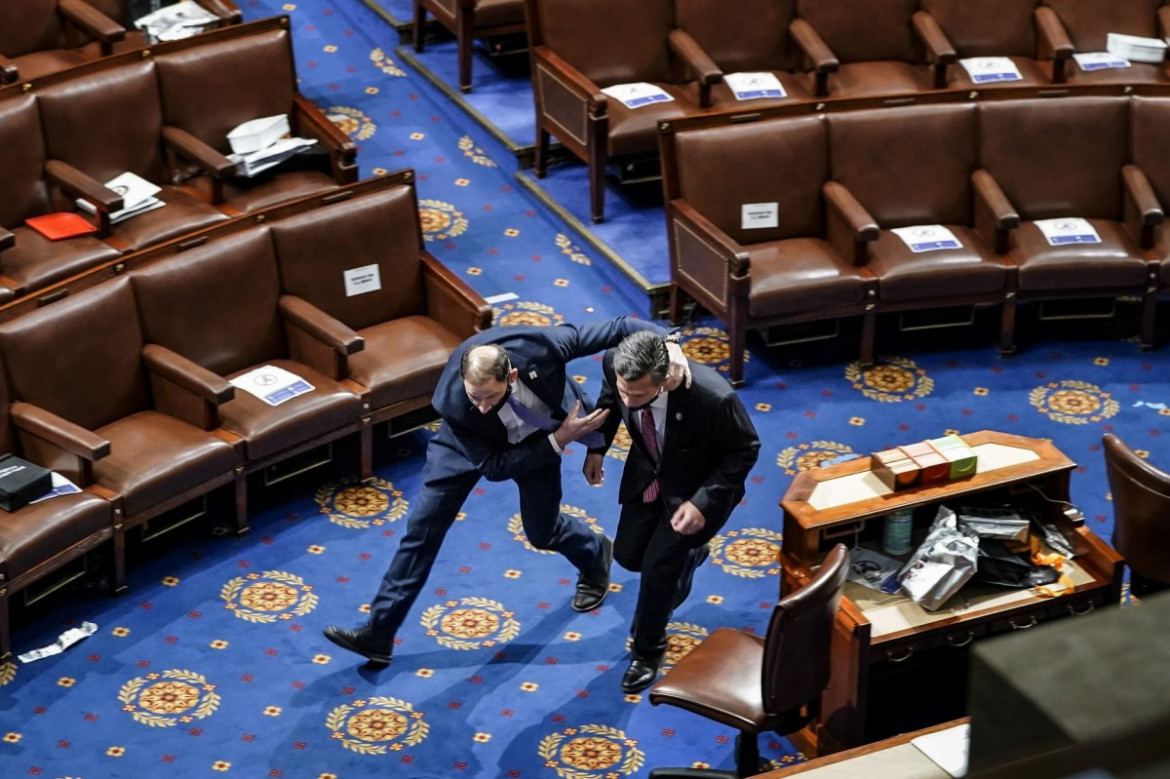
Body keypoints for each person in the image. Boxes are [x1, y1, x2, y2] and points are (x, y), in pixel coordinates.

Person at [323, 317, 690, 665]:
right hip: (469, 446)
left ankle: (594, 554)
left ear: (512, 375)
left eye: (490, 397)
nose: (482, 406)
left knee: (541, 532)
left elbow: (619, 327)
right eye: (475, 396)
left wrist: (669, 342)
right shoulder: (455, 403)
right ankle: (380, 632)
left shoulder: (540, 347)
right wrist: (558, 441)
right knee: (422, 531)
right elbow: (494, 467)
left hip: (538, 436)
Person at [584, 330, 760, 693]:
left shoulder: (713, 398)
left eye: (639, 394)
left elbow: (745, 450)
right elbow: (608, 402)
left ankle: (648, 650)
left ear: (665, 380)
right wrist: (597, 449)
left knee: (657, 573)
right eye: (624, 390)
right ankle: (691, 554)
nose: (628, 401)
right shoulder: (615, 367)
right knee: (630, 556)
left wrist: (703, 502)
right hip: (647, 477)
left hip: (696, 493)